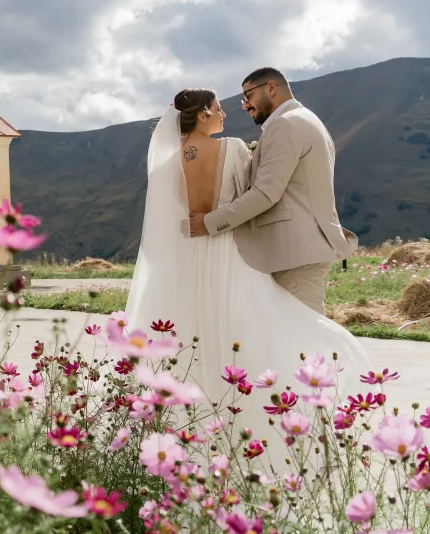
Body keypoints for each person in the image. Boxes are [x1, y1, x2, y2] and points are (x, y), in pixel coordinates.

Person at [124, 82, 372, 468]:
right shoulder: (234, 148)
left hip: (188, 255)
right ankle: (259, 428)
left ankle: (191, 432)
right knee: (251, 329)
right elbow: (254, 196)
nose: (225, 113)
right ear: (204, 113)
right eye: (218, 108)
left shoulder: (167, 163)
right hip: (227, 248)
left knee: (194, 333)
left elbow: (174, 217)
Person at [187, 67, 358, 315]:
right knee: (299, 337)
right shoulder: (305, 119)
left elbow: (265, 193)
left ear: (271, 88)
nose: (245, 105)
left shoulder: (286, 125)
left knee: (305, 337)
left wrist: (209, 223)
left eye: (248, 96)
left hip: (295, 251)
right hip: (301, 247)